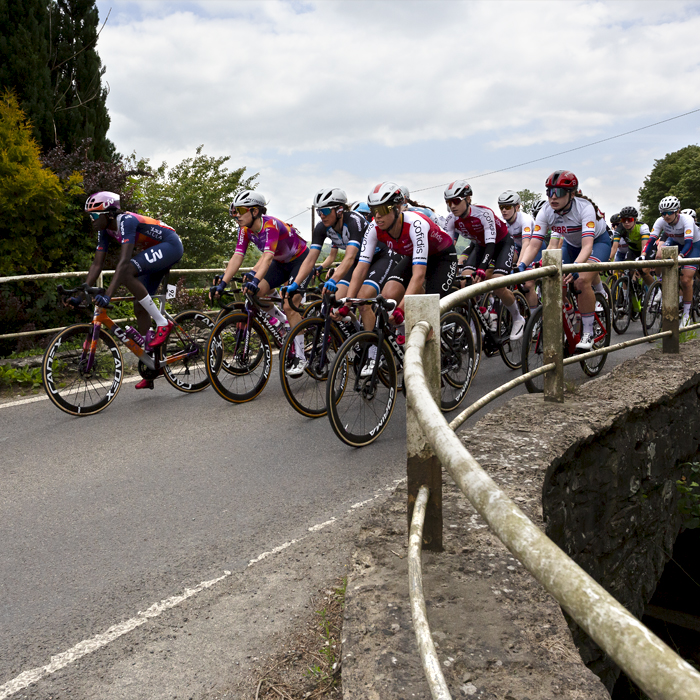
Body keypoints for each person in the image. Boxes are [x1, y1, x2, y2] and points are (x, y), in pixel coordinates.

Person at [341, 182, 456, 375]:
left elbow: (419, 275)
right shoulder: (374, 228)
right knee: (388, 297)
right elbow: (361, 268)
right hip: (413, 257)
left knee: (425, 309)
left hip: (442, 257)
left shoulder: (415, 223)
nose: (377, 215)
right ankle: (409, 349)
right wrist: (349, 302)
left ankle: (434, 357)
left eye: (382, 210)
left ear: (396, 209)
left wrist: (402, 308)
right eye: (373, 210)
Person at [80, 191, 184, 390]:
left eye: (94, 215)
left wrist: (107, 296)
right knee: (139, 305)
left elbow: (124, 262)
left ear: (109, 214)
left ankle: (162, 323)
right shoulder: (104, 231)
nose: (91, 221)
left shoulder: (126, 221)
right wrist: (81, 292)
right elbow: (96, 264)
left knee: (127, 271)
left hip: (170, 244)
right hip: (156, 252)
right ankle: (151, 365)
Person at [211, 190, 310, 374]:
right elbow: (237, 257)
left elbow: (267, 257)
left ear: (255, 211)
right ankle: (282, 323)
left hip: (300, 261)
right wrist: (222, 284)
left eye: (241, 210)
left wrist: (255, 278)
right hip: (281, 263)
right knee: (255, 292)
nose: (237, 215)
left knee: (290, 305)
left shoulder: (270, 225)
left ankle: (301, 358)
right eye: (235, 211)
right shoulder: (245, 230)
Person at [519, 170, 611, 351]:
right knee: (555, 282)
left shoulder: (584, 208)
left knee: (582, 280)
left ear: (572, 194)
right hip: (570, 245)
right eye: (549, 192)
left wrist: (576, 267)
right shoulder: (546, 211)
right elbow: (534, 245)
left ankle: (587, 331)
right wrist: (521, 265)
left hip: (597, 243)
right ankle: (567, 316)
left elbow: (587, 246)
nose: (553, 197)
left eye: (559, 192)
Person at [443, 180, 526, 341]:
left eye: (456, 201)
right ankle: (477, 325)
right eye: (448, 202)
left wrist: (482, 267)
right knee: (465, 282)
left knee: (497, 284)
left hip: (501, 244)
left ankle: (517, 317)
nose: (452, 206)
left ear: (468, 199)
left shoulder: (483, 213)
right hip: (480, 246)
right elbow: (449, 249)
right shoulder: (451, 219)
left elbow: (491, 244)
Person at [643, 196, 700, 326]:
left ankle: (686, 314)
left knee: (685, 280)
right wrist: (643, 254)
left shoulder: (687, 220)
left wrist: (681, 256)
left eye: (669, 212)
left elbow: (689, 243)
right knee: (658, 255)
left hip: (693, 245)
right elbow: (651, 239)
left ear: (677, 211)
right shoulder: (660, 221)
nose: (666, 216)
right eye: (663, 213)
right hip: (675, 241)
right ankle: (660, 284)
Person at [498, 190, 542, 313]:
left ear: (517, 207)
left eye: (507, 207)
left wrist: (519, 265)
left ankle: (534, 318)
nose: (503, 210)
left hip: (534, 247)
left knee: (528, 284)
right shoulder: (501, 221)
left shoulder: (525, 219)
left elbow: (526, 244)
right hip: (517, 247)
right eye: (501, 207)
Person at [610, 206, 654, 288]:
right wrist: (609, 259)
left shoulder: (642, 227)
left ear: (635, 220)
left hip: (646, 250)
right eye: (623, 220)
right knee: (626, 271)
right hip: (633, 250)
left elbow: (644, 246)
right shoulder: (620, 229)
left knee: (643, 271)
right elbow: (614, 247)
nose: (626, 222)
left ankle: (655, 290)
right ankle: (628, 294)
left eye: (629, 220)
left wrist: (641, 258)